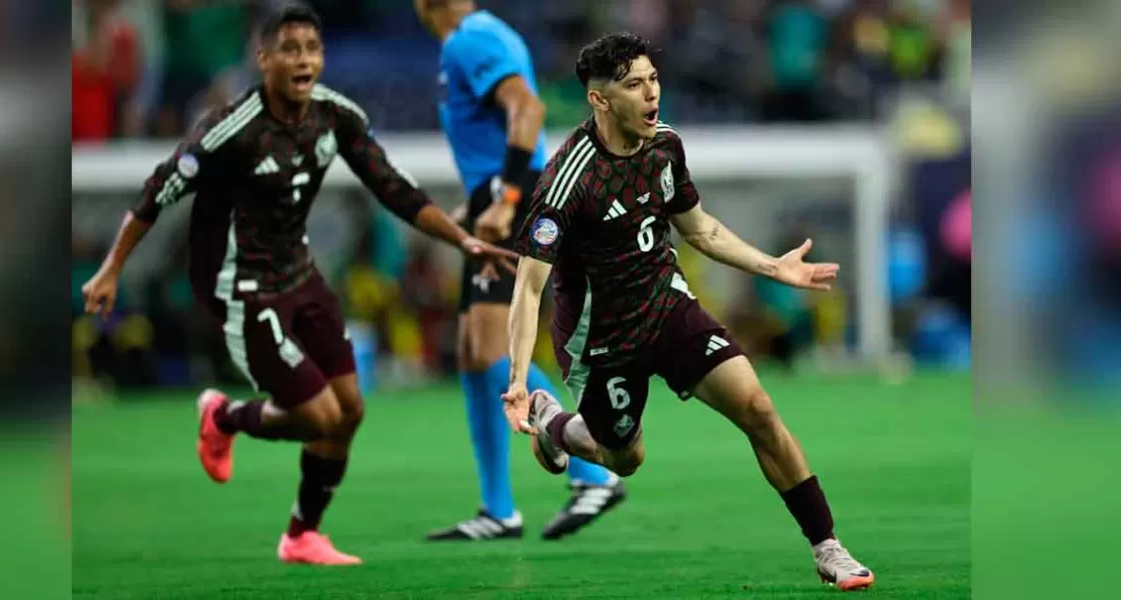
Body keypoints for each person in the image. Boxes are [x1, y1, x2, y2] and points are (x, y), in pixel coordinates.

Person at [80, 3, 516, 567]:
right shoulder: (229, 130)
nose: (303, 59)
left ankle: (301, 535)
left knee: (351, 410)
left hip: (301, 275)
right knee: (318, 416)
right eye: (289, 49)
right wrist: (112, 267)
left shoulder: (336, 117)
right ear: (263, 59)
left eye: (312, 48)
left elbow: (394, 188)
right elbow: (156, 191)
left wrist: (463, 241)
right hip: (241, 287)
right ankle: (224, 417)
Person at [501, 33, 875, 591]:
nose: (651, 94)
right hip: (601, 340)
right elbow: (529, 288)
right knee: (624, 458)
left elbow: (698, 228)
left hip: (667, 304)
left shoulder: (665, 145)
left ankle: (828, 547)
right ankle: (555, 424)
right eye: (634, 85)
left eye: (654, 79)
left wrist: (775, 268)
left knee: (758, 408)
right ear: (600, 101)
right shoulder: (566, 182)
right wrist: (515, 380)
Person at [414, 0, 625, 542]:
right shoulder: (471, 40)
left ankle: (593, 469)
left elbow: (527, 111)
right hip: (500, 193)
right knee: (470, 352)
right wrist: (481, 199)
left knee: (489, 349)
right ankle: (498, 509)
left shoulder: (470, 38)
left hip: (516, 196)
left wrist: (505, 196)